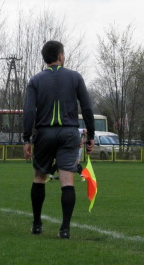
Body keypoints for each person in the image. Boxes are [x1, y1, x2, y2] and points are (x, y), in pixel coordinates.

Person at [23, 40, 95, 239]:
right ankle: (65, 229)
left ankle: (37, 224)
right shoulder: (75, 77)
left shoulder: (35, 80)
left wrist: (26, 138)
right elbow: (87, 107)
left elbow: (29, 110)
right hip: (69, 133)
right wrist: (91, 135)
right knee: (67, 181)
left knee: (39, 177)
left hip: (44, 133)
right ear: (61, 56)